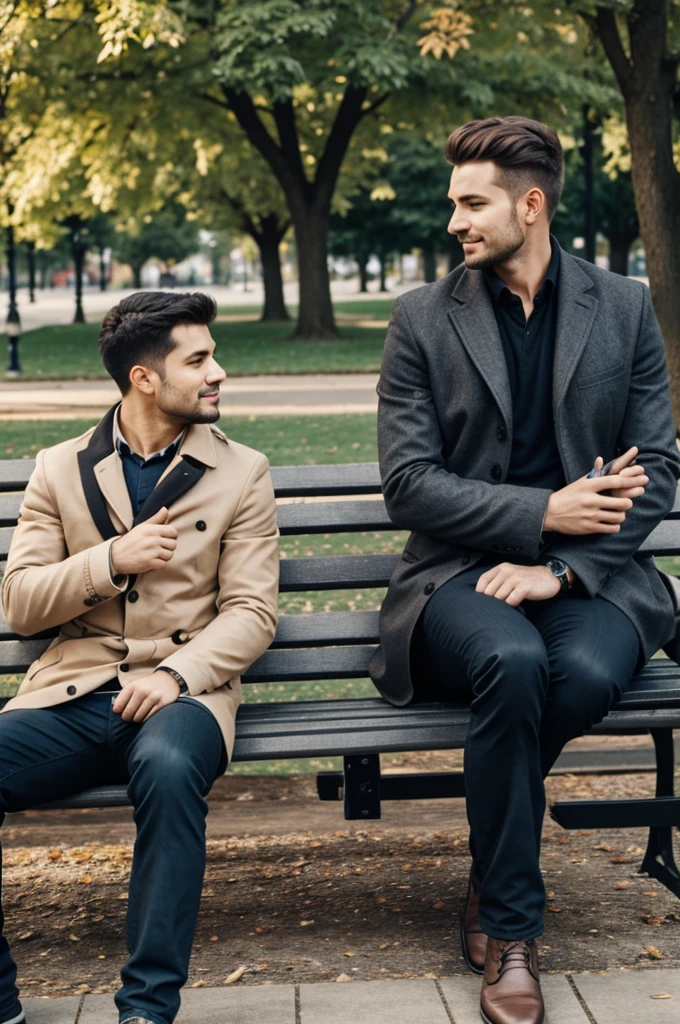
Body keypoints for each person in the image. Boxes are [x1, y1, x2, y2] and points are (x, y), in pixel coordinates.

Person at [369, 116, 680, 1024]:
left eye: (473, 203)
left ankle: (489, 858)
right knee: (511, 664)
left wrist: (567, 567)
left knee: (580, 671)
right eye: (454, 203)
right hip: (457, 579)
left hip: (591, 577)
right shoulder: (422, 318)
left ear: (531, 205)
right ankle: (514, 934)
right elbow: (409, 484)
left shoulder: (621, 306)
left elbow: (655, 467)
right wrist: (541, 514)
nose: (455, 221)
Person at [1, 291, 279, 1024]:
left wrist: (175, 676)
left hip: (186, 696)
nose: (218, 372)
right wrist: (110, 560)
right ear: (144, 379)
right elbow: (21, 601)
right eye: (199, 359)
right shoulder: (59, 468)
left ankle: (146, 1009)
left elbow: (252, 612)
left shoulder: (243, 471)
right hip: (74, 693)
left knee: (165, 767)